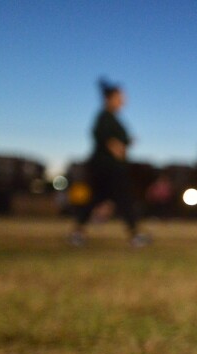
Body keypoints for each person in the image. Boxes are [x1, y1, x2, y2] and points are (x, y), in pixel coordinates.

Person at [69, 78, 150, 247]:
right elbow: (109, 141)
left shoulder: (113, 117)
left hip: (109, 168)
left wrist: (126, 143)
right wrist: (119, 147)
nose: (124, 100)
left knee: (96, 199)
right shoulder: (105, 117)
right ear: (110, 98)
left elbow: (120, 142)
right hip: (107, 168)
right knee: (124, 199)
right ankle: (135, 235)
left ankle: (77, 233)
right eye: (120, 96)